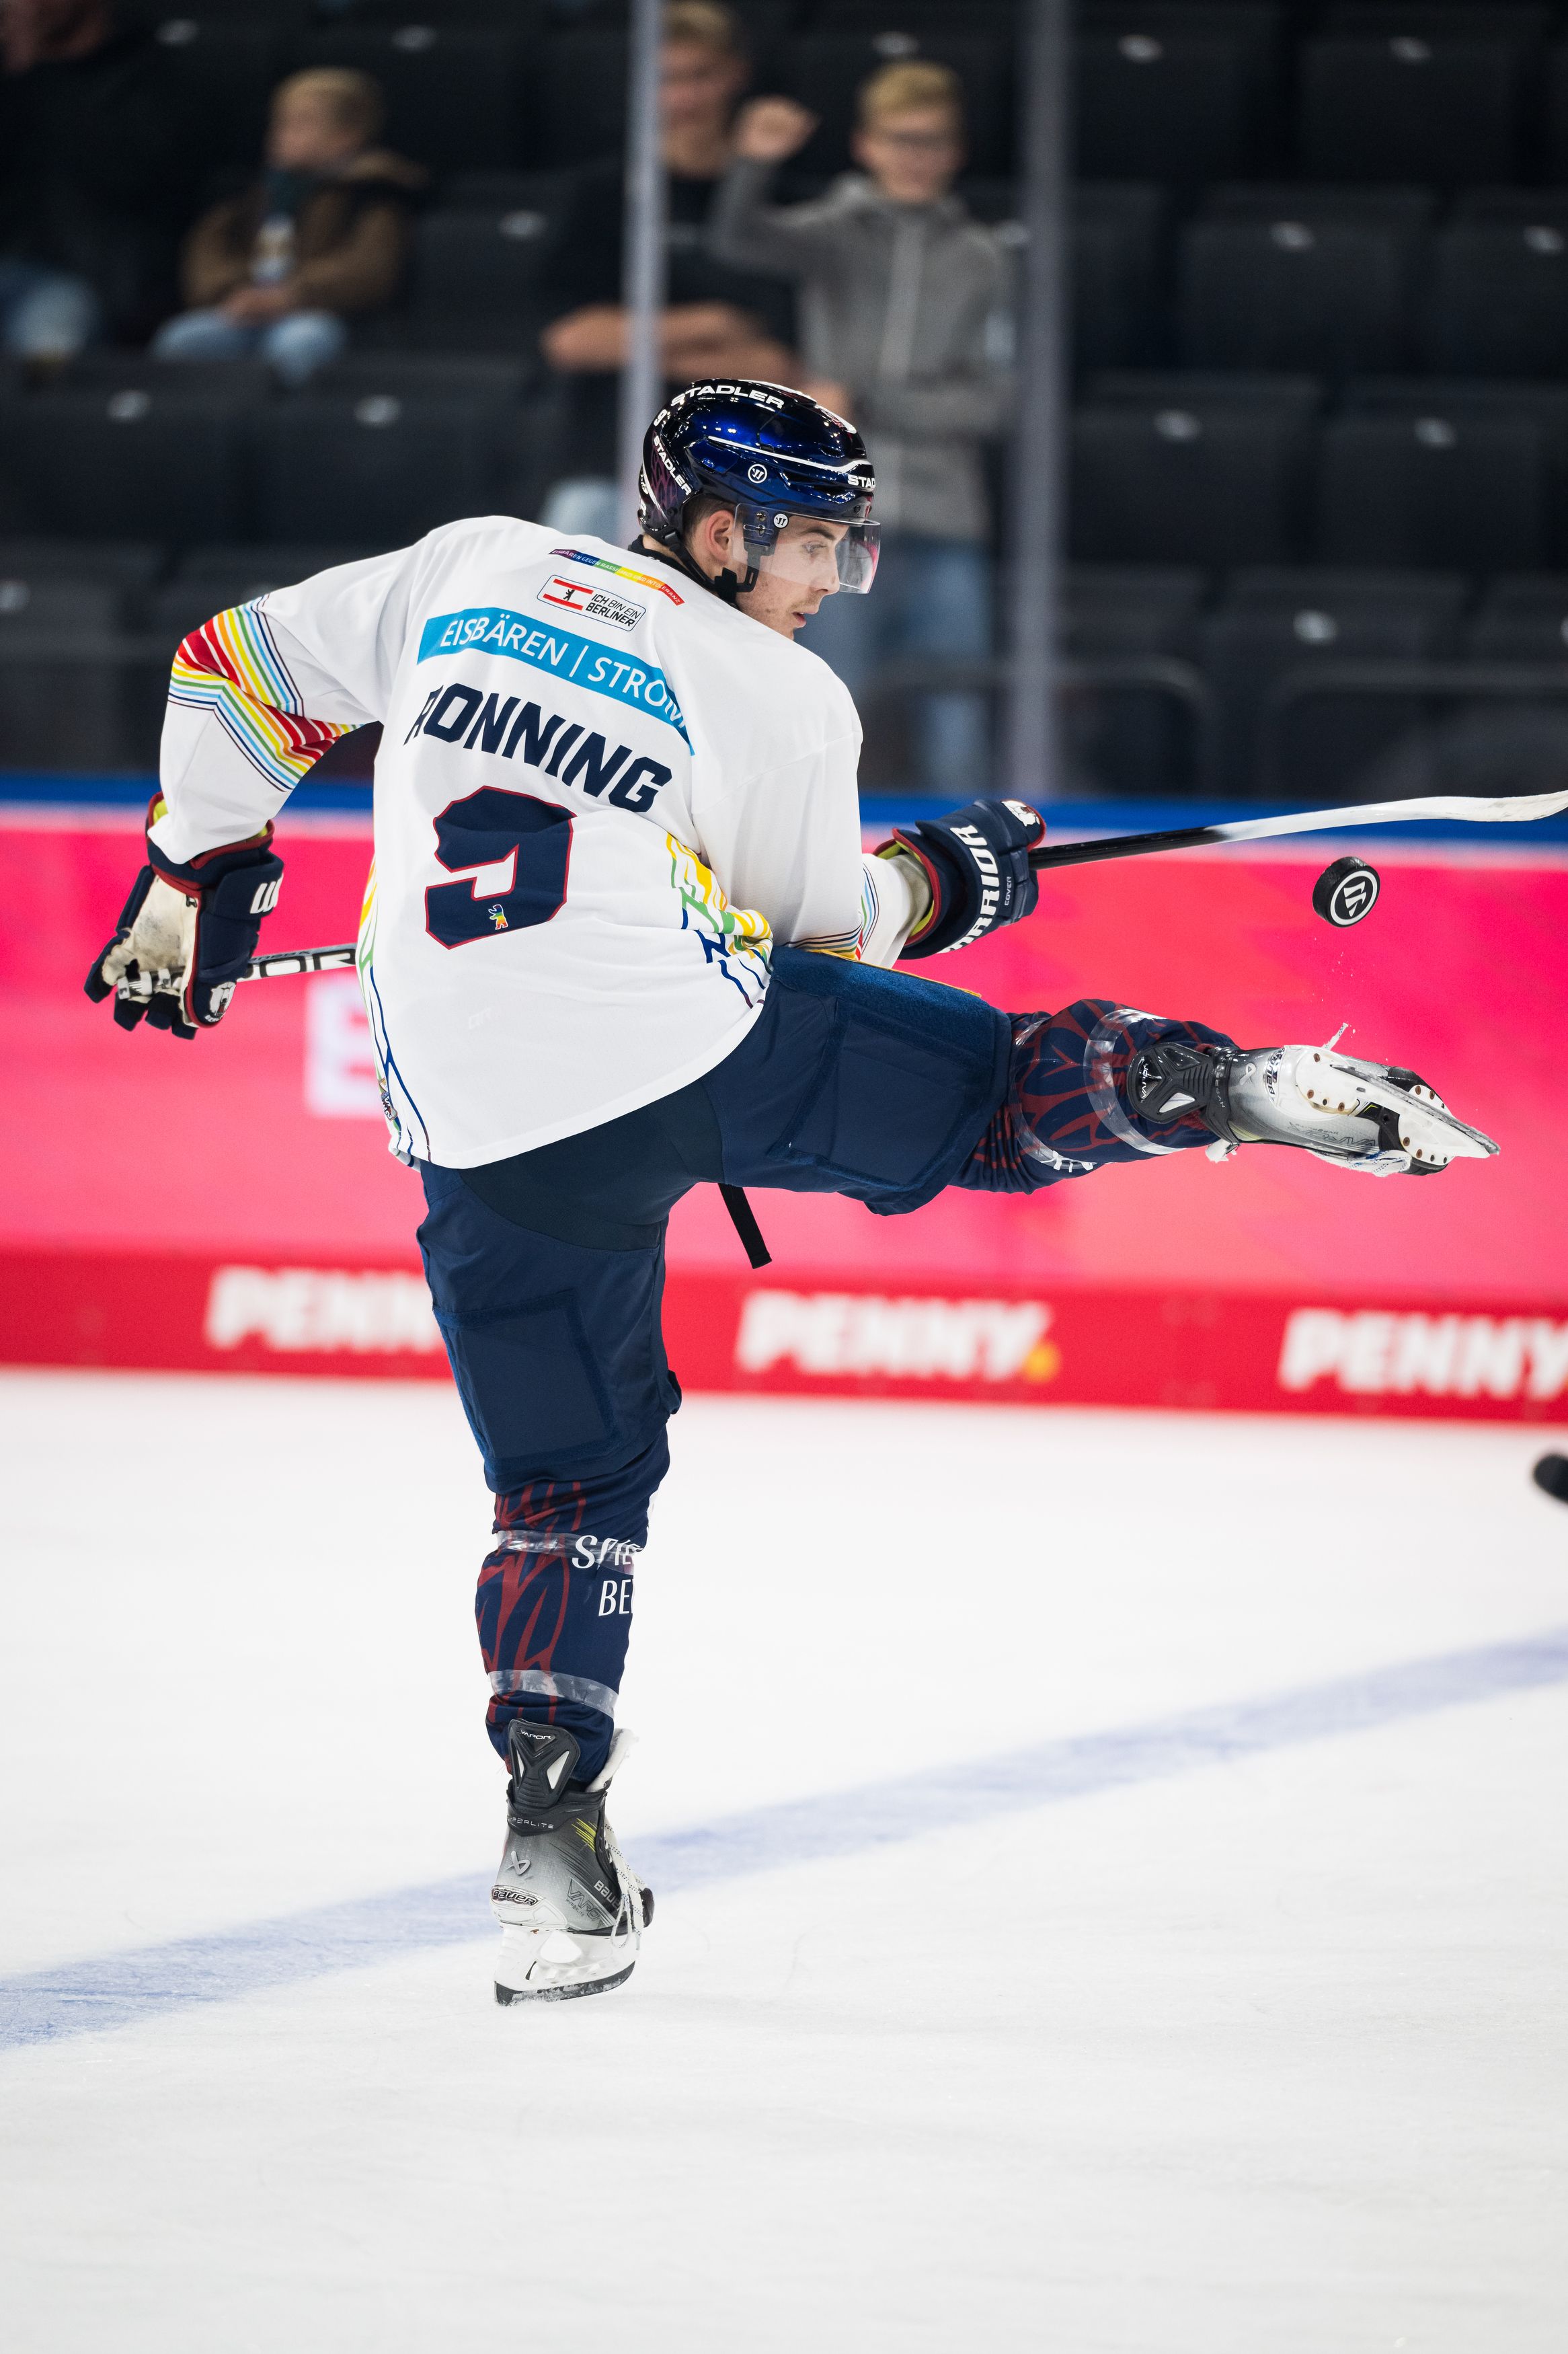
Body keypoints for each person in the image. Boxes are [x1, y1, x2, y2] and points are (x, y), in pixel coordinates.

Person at [85, 381, 1497, 2005]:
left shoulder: (469, 565)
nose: (833, 576)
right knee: (987, 1101)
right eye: (814, 541)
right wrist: (956, 879)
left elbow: (234, 675)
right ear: (716, 528)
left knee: (566, 1490)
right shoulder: (776, 692)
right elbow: (822, 939)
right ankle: (1238, 1087)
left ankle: (551, 1854)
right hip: (684, 1044)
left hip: (479, 1122)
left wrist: (197, 879)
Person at [712, 61, 1014, 796]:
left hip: (946, 516)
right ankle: (815, 878)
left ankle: (968, 875)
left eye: (932, 142)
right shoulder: (832, 234)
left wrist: (868, 399)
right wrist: (753, 162)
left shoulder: (986, 259)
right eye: (900, 139)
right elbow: (738, 240)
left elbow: (998, 402)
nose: (916, 156)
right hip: (833, 518)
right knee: (822, 702)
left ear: (956, 152)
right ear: (866, 145)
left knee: (957, 717)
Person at [536, 0, 798, 536]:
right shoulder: (602, 193)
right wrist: (713, 325)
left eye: (700, 76)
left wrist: (642, 341)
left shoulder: (776, 199)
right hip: (609, 464)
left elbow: (781, 367)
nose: (683, 98)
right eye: (667, 79)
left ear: (736, 75)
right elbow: (573, 340)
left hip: (743, 479)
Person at [151, 69, 424, 389]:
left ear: (347, 136)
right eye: (280, 121)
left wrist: (292, 294)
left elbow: (371, 268)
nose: (282, 133)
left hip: (324, 312)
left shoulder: (373, 192)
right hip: (245, 307)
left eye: (302, 122)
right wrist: (233, 291)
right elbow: (207, 251)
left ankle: (280, 432)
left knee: (298, 344)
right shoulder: (250, 191)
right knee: (181, 339)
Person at [0, 0, 198, 361]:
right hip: (10, 265)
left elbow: (133, 180)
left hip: (88, 282)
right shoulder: (13, 79)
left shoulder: (153, 74)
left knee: (47, 350)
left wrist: (36, 70)